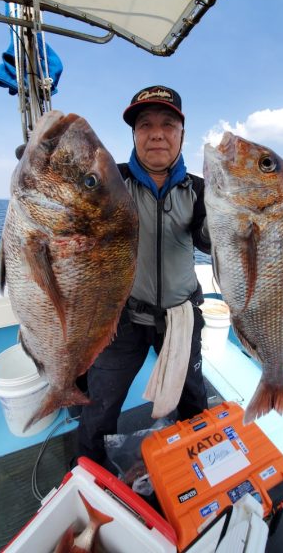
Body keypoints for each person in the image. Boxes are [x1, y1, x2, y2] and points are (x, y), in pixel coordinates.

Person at [76, 85, 211, 468]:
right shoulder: (107, 183)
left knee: (193, 401)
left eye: (168, 124)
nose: (156, 133)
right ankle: (87, 478)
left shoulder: (200, 190)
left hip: (181, 318)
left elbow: (208, 242)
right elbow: (70, 211)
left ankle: (197, 470)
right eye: (145, 124)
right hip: (121, 320)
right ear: (133, 135)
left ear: (182, 133)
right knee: (100, 406)